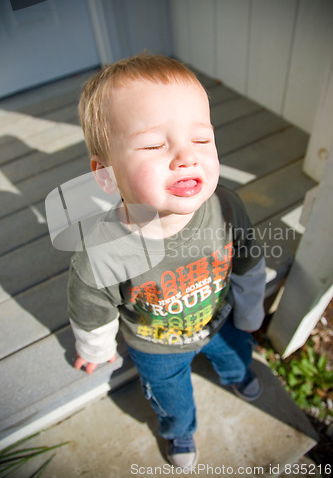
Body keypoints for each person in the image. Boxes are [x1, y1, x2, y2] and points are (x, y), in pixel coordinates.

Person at [67, 53, 266, 470]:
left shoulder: (226, 208)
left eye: (201, 139)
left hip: (219, 317)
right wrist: (97, 348)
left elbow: (248, 263)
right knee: (170, 395)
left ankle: (237, 374)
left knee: (237, 352)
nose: (186, 157)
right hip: (156, 344)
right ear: (105, 175)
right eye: (156, 144)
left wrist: (249, 313)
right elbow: (92, 310)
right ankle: (179, 430)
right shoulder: (102, 252)